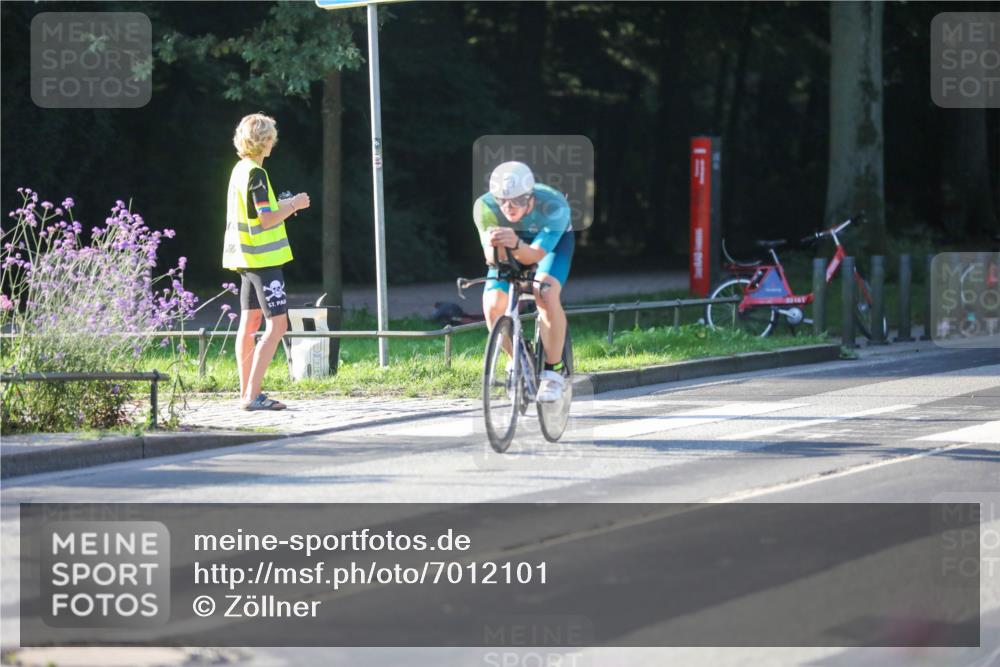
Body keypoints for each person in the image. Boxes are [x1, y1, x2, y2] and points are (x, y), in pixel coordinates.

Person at [222, 113, 310, 410]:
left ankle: (245, 391)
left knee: (249, 325)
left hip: (244, 257)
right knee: (278, 326)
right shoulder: (258, 174)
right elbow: (267, 218)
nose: (274, 142)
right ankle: (253, 395)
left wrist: (286, 204)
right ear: (266, 141)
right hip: (264, 260)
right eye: (272, 137)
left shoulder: (239, 170)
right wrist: (295, 205)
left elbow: (259, 212)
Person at [473, 161, 573, 402]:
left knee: (545, 292)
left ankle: (554, 371)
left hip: (550, 246)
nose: (509, 207)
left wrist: (516, 243)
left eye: (517, 200)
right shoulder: (484, 206)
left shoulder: (554, 205)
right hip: (509, 245)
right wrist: (497, 246)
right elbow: (491, 258)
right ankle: (514, 359)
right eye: (503, 201)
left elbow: (534, 256)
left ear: (531, 196)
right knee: (492, 305)